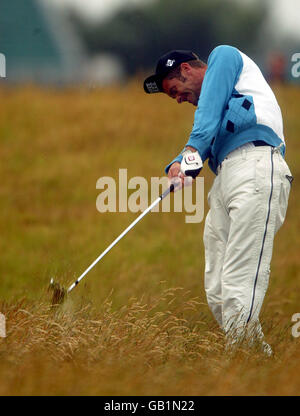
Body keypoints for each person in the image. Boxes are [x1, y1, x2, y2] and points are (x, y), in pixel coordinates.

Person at [143, 46, 293, 355]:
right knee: (217, 286)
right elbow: (204, 141)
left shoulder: (224, 57)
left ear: (186, 69)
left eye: (176, 91)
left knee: (239, 278)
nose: (180, 100)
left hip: (257, 163)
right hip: (227, 177)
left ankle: (238, 360)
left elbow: (206, 120)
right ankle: (255, 359)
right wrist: (178, 165)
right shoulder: (216, 110)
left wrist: (190, 151)